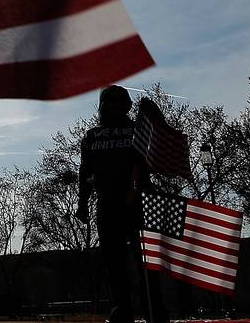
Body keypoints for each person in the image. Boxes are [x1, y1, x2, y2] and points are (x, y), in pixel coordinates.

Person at [76, 85, 166, 323]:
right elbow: (85, 171)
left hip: (139, 202)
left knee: (145, 261)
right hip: (107, 204)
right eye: (107, 101)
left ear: (126, 105)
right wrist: (82, 202)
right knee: (113, 262)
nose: (111, 106)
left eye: (116, 101)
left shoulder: (138, 130)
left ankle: (154, 310)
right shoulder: (92, 135)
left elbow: (155, 160)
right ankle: (122, 309)